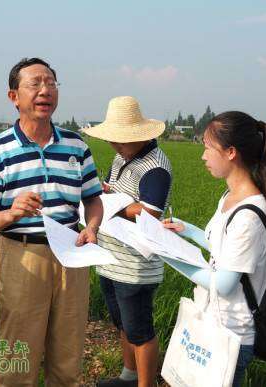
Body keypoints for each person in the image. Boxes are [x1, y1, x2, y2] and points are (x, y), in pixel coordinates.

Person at [0, 57, 104, 386]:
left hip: (72, 255)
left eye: (51, 83)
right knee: (19, 356)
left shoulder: (77, 145)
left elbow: (92, 198)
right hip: (21, 254)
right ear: (13, 96)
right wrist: (12, 213)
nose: (45, 90)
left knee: (67, 356)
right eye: (35, 83)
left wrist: (91, 227)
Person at [163, 111, 266, 387]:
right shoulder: (230, 196)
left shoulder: (249, 214)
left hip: (230, 337)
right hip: (212, 323)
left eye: (207, 147)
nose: (202, 156)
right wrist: (186, 230)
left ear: (231, 152)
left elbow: (224, 283)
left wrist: (169, 255)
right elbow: (221, 247)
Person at [83, 96, 172, 387]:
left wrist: (112, 204)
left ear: (141, 135)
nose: (115, 145)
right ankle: (129, 376)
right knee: (122, 323)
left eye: (122, 140)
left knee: (140, 331)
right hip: (111, 258)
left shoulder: (155, 166)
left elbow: (151, 210)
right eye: (113, 139)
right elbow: (111, 189)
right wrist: (106, 194)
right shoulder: (122, 157)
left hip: (135, 266)